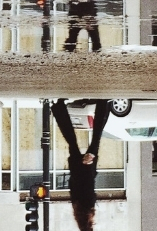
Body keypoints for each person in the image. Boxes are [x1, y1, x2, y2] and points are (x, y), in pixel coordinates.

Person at [52, 99, 109, 231]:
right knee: (71, 139)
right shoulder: (76, 208)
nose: (94, 223)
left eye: (92, 225)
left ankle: (103, 104)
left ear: (88, 224)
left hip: (85, 167)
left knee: (96, 136)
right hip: (76, 168)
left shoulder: (87, 206)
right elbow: (73, 184)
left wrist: (87, 164)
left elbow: (88, 184)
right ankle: (58, 108)